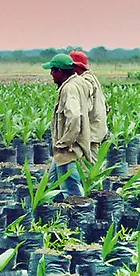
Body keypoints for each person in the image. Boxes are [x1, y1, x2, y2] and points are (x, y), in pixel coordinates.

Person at [44, 53, 95, 197]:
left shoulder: (69, 89)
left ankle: (77, 209)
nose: (51, 74)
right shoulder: (80, 82)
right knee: (53, 182)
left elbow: (74, 116)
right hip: (70, 146)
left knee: (71, 188)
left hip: (69, 149)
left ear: (59, 71)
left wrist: (65, 142)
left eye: (52, 70)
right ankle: (55, 207)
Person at [70, 51, 109, 156]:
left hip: (92, 132)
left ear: (76, 67)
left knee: (89, 163)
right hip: (96, 129)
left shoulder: (85, 81)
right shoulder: (91, 78)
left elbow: (86, 107)